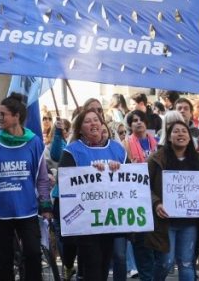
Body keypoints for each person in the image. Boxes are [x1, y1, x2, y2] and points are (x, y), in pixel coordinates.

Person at [0, 93, 51, 281]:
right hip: (0, 210)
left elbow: (41, 178)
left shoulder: (35, 142)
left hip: (27, 209)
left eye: (3, 114)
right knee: (3, 259)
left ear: (16, 116)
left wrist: (46, 205)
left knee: (32, 254)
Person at [59, 108, 126, 281]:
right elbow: (65, 183)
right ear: (80, 129)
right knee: (93, 266)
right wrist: (89, 173)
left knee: (104, 265)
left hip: (111, 218)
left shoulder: (118, 150)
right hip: (86, 220)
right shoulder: (72, 151)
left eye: (96, 120)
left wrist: (119, 169)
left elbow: (130, 180)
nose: (93, 123)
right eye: (88, 121)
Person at [144, 121, 199, 281]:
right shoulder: (156, 159)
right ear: (169, 137)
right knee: (165, 263)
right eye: (176, 131)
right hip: (165, 223)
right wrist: (156, 203)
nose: (180, 134)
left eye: (184, 131)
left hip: (191, 223)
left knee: (186, 264)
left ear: (189, 137)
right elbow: (143, 185)